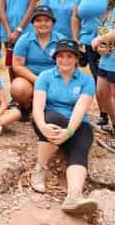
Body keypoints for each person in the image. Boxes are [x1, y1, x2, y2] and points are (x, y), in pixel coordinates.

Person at [30, 39, 97, 215]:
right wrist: (42, 126)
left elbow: (80, 109)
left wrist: (69, 132)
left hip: (75, 124)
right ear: (55, 58)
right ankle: (40, 167)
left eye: (69, 56)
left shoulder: (87, 80)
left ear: (76, 58)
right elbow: (37, 106)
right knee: (54, 118)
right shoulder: (45, 76)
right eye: (60, 56)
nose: (64, 60)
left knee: (80, 148)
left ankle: (74, 196)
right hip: (48, 121)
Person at [72, 0, 113, 127]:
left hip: (109, 45)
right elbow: (75, 15)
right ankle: (104, 116)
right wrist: (76, 39)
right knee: (99, 82)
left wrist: (105, 40)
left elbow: (110, 20)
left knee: (110, 86)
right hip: (89, 42)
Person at [11, 6, 65, 120]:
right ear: (33, 23)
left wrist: (51, 81)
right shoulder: (25, 39)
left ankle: (50, 107)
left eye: (47, 20)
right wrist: (37, 80)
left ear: (52, 22)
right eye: (38, 20)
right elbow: (17, 65)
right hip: (31, 79)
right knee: (18, 88)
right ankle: (26, 106)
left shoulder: (61, 40)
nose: (43, 24)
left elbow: (68, 65)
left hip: (54, 79)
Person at [0, 0, 40, 81]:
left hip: (26, 32)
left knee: (25, 63)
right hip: (8, 33)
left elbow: (31, 10)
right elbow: (1, 9)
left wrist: (18, 30)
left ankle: (27, 92)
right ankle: (14, 95)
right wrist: (8, 32)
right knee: (10, 63)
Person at [91, 0, 115, 150]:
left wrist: (101, 38)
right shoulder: (110, 9)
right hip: (107, 59)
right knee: (101, 93)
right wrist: (102, 45)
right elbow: (106, 30)